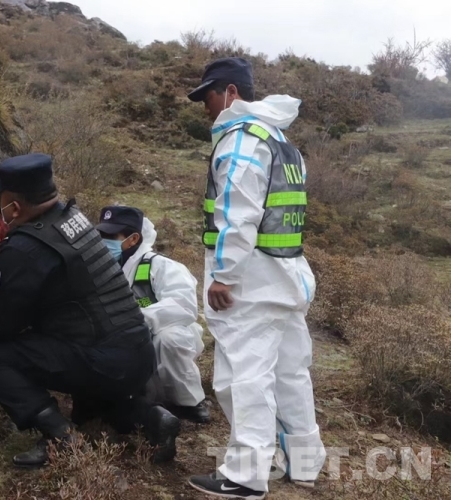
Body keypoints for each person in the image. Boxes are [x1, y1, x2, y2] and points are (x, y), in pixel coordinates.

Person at [0, 153, 180, 468]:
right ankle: (153, 419)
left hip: (103, 362)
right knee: (89, 411)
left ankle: (59, 437)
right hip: (138, 354)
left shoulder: (24, 251)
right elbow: (10, 198)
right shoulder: (71, 217)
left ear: (15, 207)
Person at [184, 57, 326, 499]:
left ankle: (245, 477)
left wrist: (223, 276)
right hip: (286, 276)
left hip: (252, 283)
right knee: (290, 374)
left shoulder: (241, 142)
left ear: (230, 92)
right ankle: (304, 464)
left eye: (208, 96)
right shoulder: (281, 141)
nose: (206, 107)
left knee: (244, 377)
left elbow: (238, 215)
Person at [96, 206, 210, 424]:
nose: (103, 241)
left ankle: (188, 402)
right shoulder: (100, 269)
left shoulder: (160, 266)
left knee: (169, 340)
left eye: (111, 236)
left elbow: (183, 305)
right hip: (119, 340)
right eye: (101, 235)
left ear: (133, 239)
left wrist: (138, 319)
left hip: (161, 334)